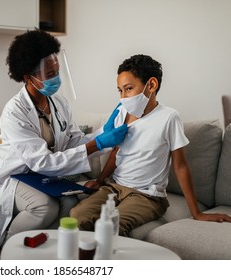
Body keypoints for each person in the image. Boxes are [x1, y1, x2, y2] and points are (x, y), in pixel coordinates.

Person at [0, 30, 128, 253]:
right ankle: (4, 253)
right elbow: (41, 162)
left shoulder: (58, 102)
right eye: (50, 73)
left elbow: (74, 141)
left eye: (57, 71)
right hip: (16, 174)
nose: (56, 78)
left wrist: (104, 132)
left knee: (70, 203)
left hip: (44, 175)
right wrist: (99, 144)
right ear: (28, 77)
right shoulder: (14, 112)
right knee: (44, 208)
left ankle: (49, 256)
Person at [70, 54, 231, 236]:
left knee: (112, 225)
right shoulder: (122, 112)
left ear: (151, 85)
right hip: (115, 187)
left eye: (129, 89)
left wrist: (197, 212)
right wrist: (100, 181)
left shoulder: (169, 117)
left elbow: (180, 166)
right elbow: (116, 152)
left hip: (147, 196)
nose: (123, 97)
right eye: (120, 90)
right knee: (77, 215)